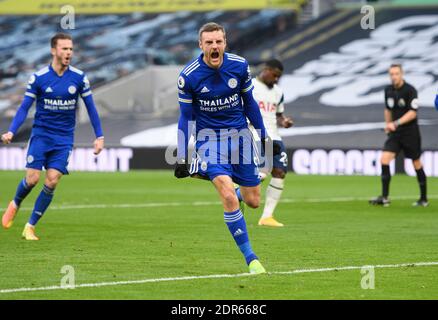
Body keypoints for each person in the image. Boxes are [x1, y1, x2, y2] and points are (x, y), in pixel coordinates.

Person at [174, 22, 273, 274]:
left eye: (218, 41)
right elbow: (185, 117)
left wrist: (262, 135)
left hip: (241, 137)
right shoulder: (189, 76)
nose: (214, 46)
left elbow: (250, 103)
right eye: (209, 42)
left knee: (252, 201)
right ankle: (251, 258)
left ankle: (234, 188)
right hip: (209, 139)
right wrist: (182, 152)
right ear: (201, 45)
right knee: (227, 196)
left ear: (225, 42)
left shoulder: (239, 66)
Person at [1, 33, 104, 240]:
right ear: (53, 50)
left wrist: (99, 135)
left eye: (71, 49)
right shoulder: (39, 78)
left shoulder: (79, 78)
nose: (68, 53)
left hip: (64, 138)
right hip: (41, 135)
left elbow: (91, 108)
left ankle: (30, 226)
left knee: (52, 180)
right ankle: (15, 203)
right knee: (32, 179)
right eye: (64, 49)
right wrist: (12, 130)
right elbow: (24, 107)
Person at [369, 64, 427, 207]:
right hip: (395, 133)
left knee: (416, 163)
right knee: (384, 159)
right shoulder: (388, 90)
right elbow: (388, 109)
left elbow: (413, 113)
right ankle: (384, 197)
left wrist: (395, 123)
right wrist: (388, 124)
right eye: (391, 74)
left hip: (410, 132)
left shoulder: (410, 90)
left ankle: (423, 198)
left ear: (402, 74)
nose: (394, 76)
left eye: (396, 74)